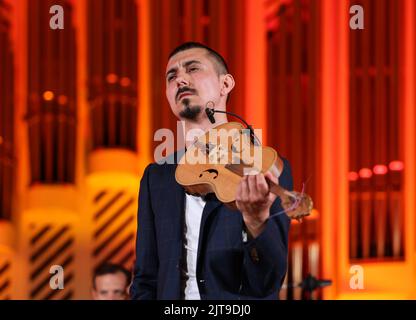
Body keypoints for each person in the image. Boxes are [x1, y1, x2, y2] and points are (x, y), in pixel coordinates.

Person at [130, 42, 293, 300]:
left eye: (193, 69)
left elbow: (267, 283)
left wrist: (256, 223)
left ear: (225, 84)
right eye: (171, 76)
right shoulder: (156, 178)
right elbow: (146, 278)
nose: (180, 79)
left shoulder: (265, 168)